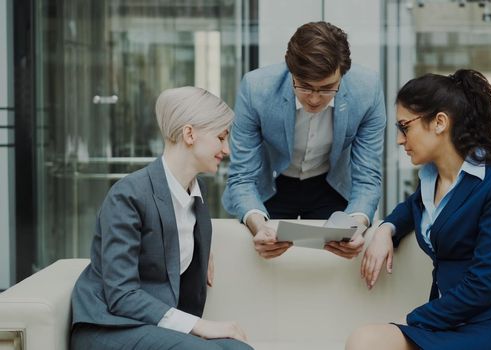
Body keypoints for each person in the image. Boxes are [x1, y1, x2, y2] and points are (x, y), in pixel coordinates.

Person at [346, 69, 491, 350]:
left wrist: (412, 320)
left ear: (440, 122)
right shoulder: (430, 182)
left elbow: (484, 284)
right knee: (364, 341)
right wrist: (385, 229)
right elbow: (410, 208)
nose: (399, 139)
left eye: (405, 126)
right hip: (454, 325)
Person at [70, 87, 252, 350]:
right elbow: (121, 295)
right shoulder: (129, 195)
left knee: (240, 349)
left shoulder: (197, 201)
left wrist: (200, 245)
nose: (227, 149)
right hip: (110, 325)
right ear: (189, 134)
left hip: (153, 328)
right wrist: (199, 326)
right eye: (221, 137)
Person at [222, 21, 386, 260]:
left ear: (343, 74)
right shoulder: (256, 88)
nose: (315, 99)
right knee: (262, 259)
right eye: (305, 87)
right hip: (273, 184)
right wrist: (258, 226)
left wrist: (356, 226)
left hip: (331, 183)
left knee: (333, 265)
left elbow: (368, 176)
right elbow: (242, 175)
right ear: (291, 71)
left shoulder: (367, 90)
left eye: (328, 88)